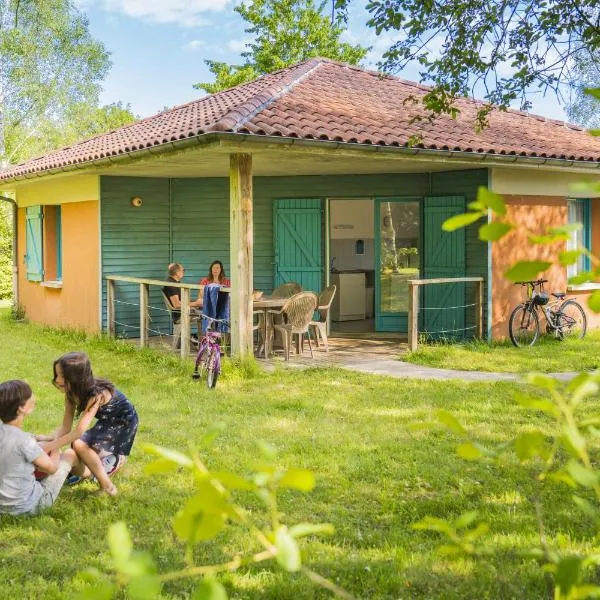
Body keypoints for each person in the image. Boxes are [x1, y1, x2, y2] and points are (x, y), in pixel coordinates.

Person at [35, 352, 139, 497]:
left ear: (76, 378)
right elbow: (66, 428)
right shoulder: (71, 393)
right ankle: (93, 467)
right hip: (105, 420)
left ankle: (108, 485)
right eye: (57, 374)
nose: (57, 380)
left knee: (78, 443)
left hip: (123, 421)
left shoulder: (96, 395)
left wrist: (49, 447)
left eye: (63, 376)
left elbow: (77, 433)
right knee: (75, 450)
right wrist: (49, 439)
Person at [0, 380, 78, 515]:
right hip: (28, 507)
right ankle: (88, 475)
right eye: (29, 396)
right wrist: (56, 447)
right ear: (21, 408)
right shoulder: (24, 442)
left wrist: (40, 438)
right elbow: (52, 468)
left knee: (39, 449)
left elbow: (21, 438)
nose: (33, 397)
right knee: (70, 454)